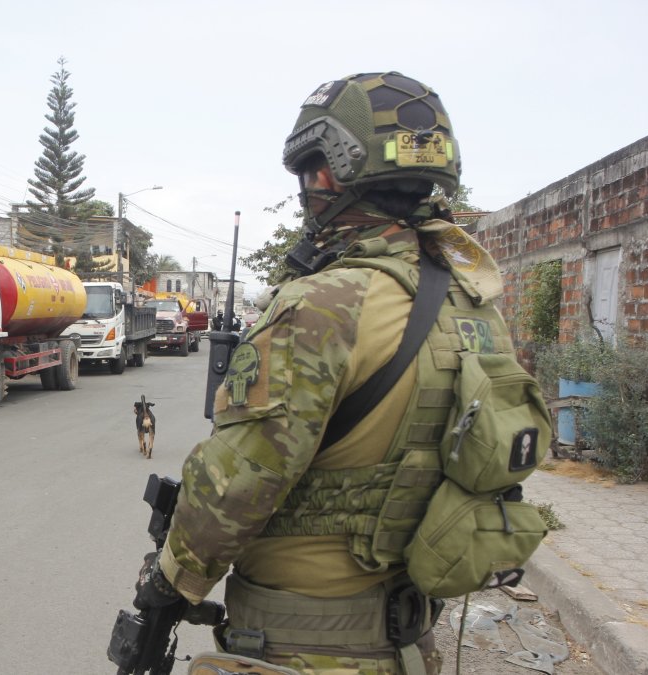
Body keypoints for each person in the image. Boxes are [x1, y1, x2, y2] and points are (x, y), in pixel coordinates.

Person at [133, 72, 523, 674]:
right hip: (410, 641)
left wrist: (170, 582)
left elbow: (238, 483)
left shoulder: (324, 305)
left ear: (333, 173)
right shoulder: (477, 307)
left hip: (304, 643)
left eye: (311, 172)